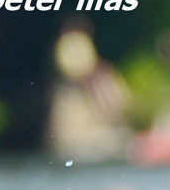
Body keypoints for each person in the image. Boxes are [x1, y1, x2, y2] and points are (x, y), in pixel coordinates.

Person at [46, 19, 132, 162]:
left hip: (85, 91)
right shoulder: (69, 45)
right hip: (76, 123)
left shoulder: (73, 45)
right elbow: (73, 68)